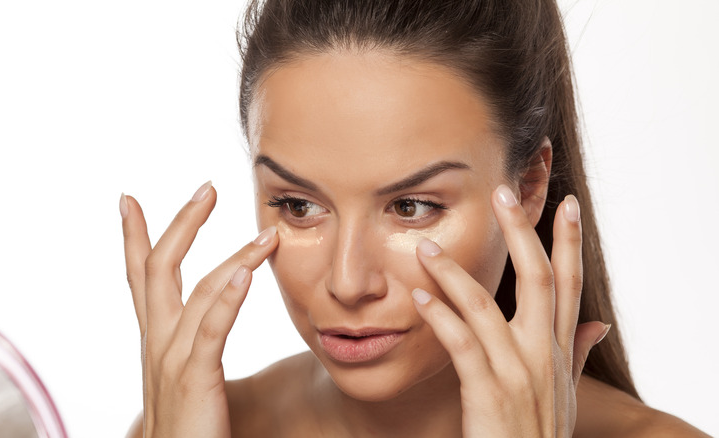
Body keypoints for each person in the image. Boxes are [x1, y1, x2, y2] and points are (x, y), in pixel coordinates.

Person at [120, 0, 709, 436]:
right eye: (298, 206)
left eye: (411, 207)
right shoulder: (188, 427)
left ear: (529, 186)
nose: (348, 283)